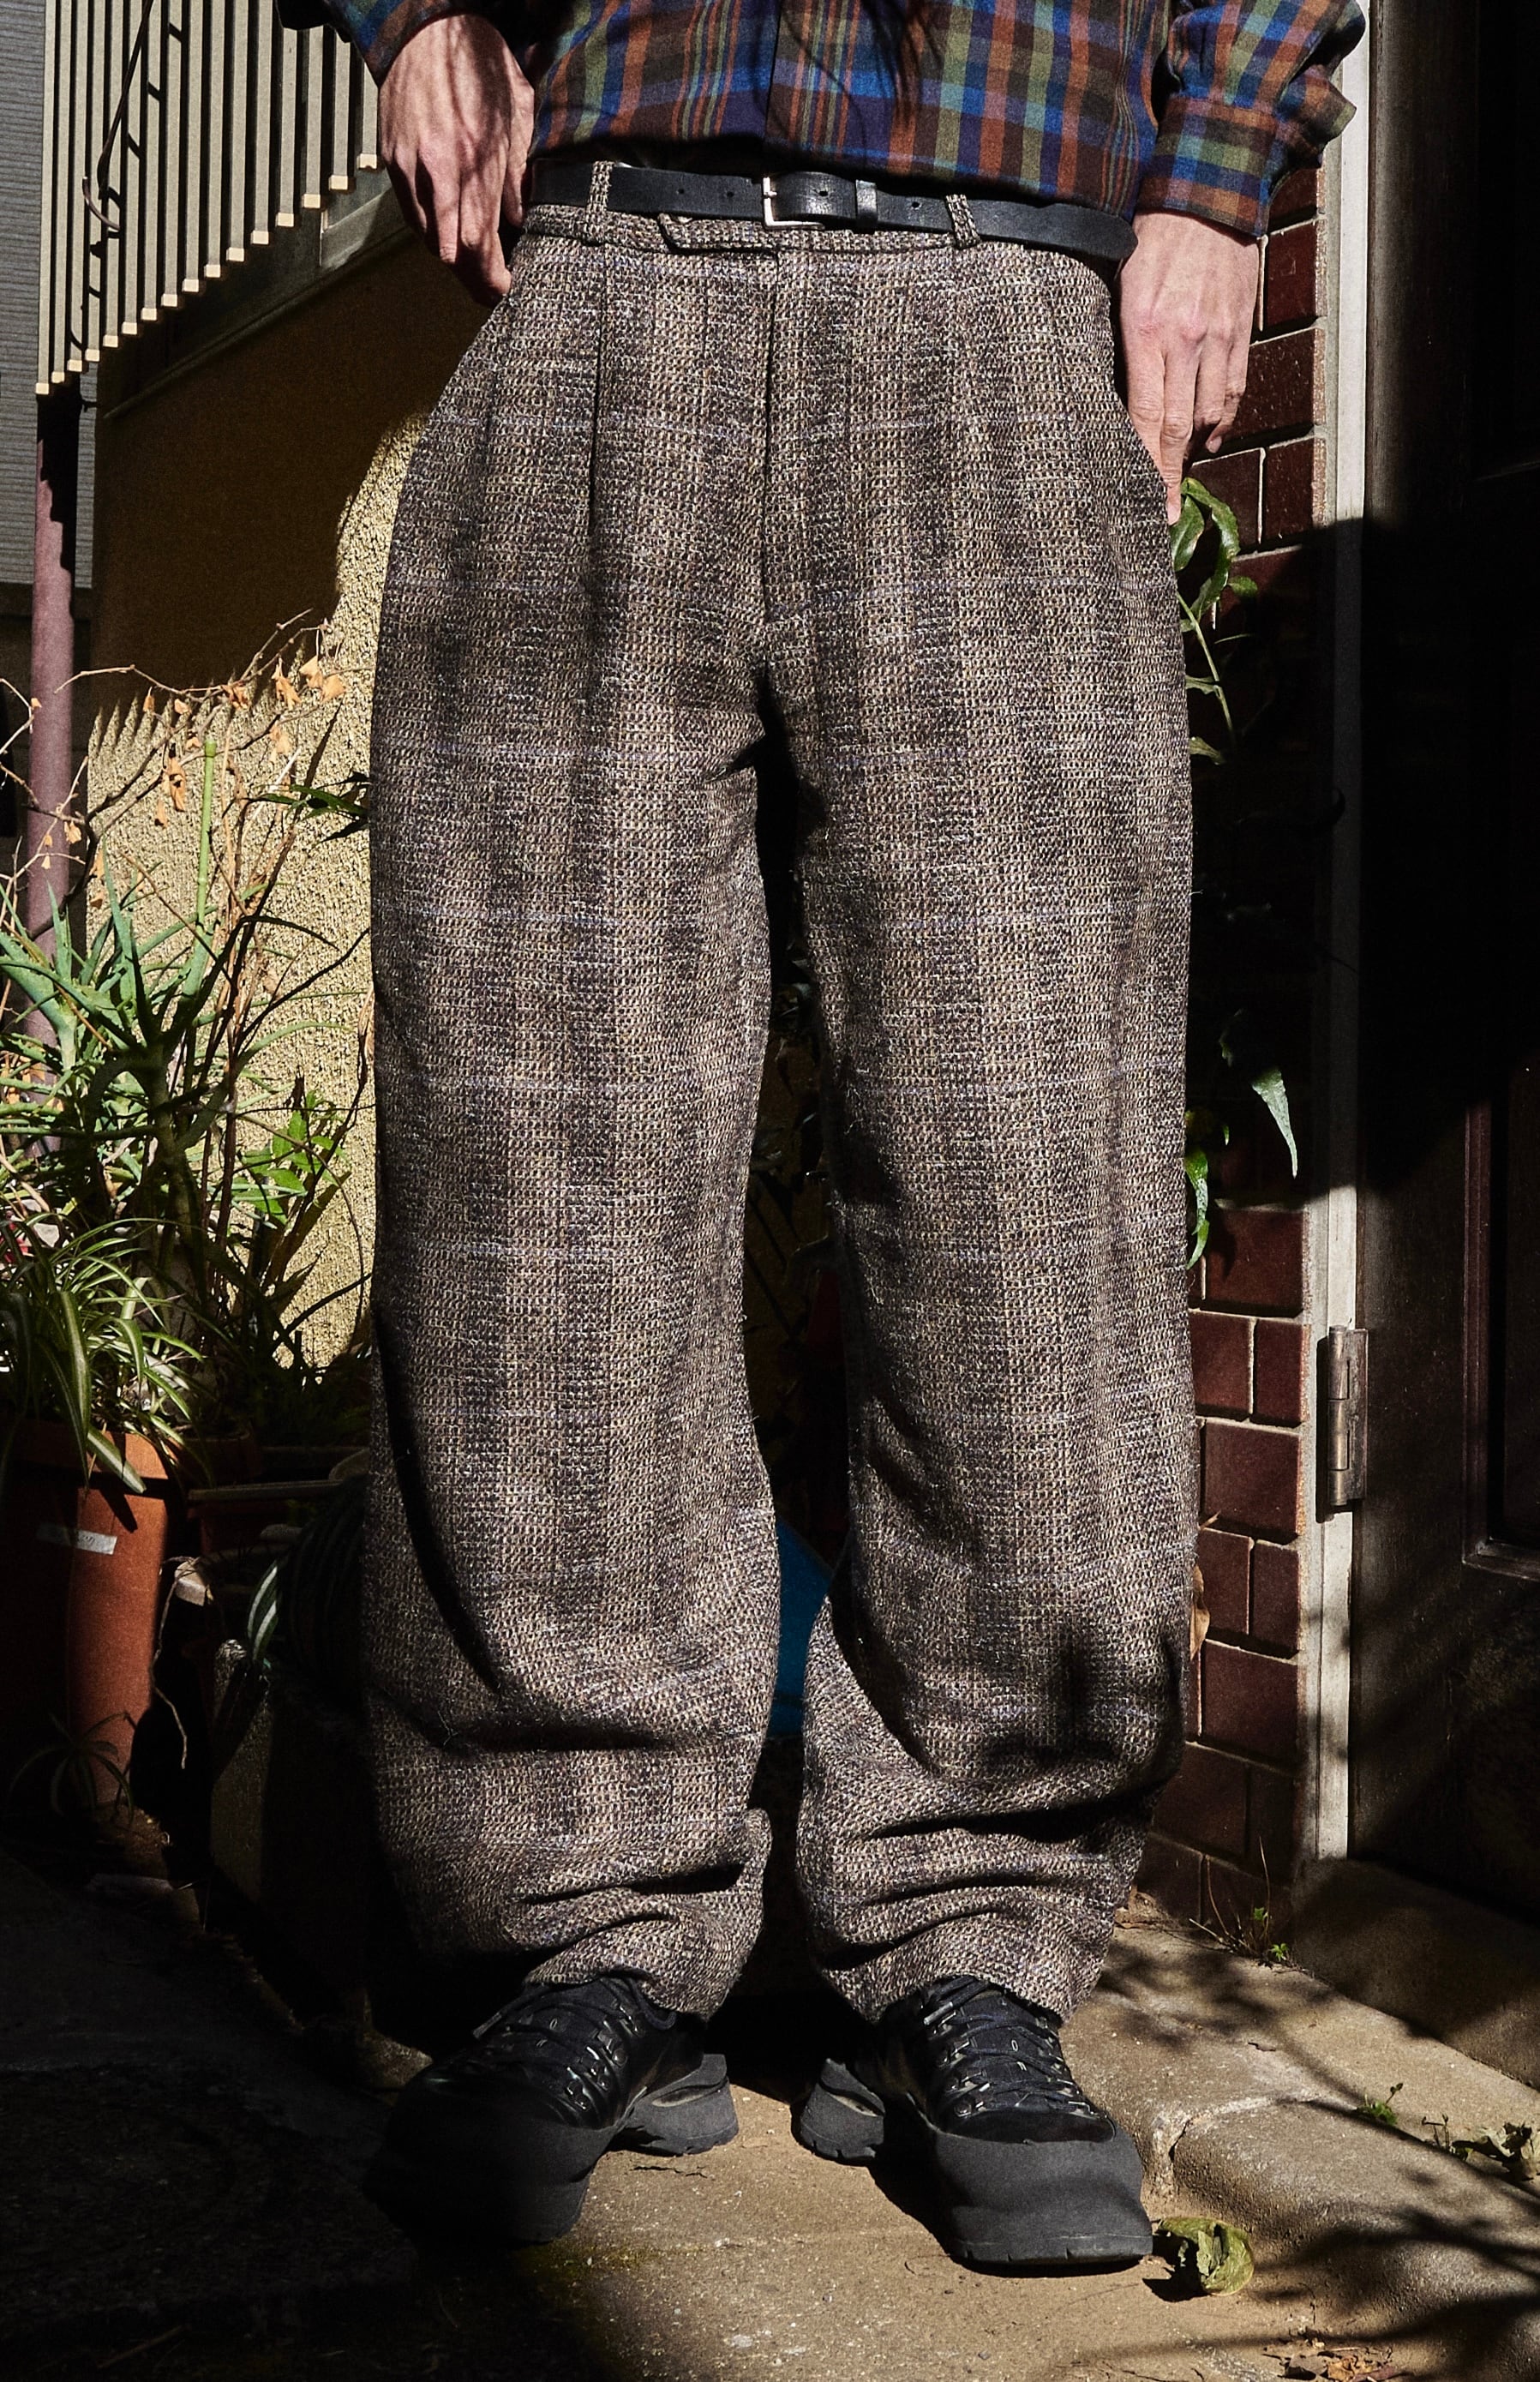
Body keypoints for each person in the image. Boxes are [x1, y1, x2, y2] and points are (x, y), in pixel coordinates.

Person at [320, 0, 1362, 2270]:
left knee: (1025, 1184)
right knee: (536, 1187)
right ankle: (582, 1931)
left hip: (1008, 302)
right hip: (598, 285)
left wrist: (1217, 172)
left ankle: (968, 1945)